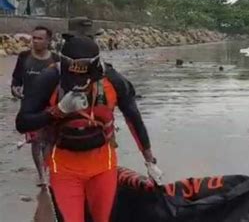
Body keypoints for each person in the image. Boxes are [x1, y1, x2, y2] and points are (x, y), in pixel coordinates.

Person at [16, 36, 163, 222]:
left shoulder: (113, 80)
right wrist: (57, 111)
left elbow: (134, 118)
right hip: (63, 166)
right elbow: (22, 123)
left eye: (84, 77)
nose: (79, 83)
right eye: (73, 77)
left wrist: (150, 161)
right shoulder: (50, 78)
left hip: (103, 164)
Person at [11, 25, 60, 186]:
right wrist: (15, 89)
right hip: (31, 107)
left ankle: (48, 169)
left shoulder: (56, 59)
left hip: (51, 107)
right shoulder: (24, 56)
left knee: (50, 140)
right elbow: (16, 78)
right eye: (34, 38)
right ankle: (41, 174)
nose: (36, 41)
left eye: (40, 38)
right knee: (36, 141)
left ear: (48, 41)